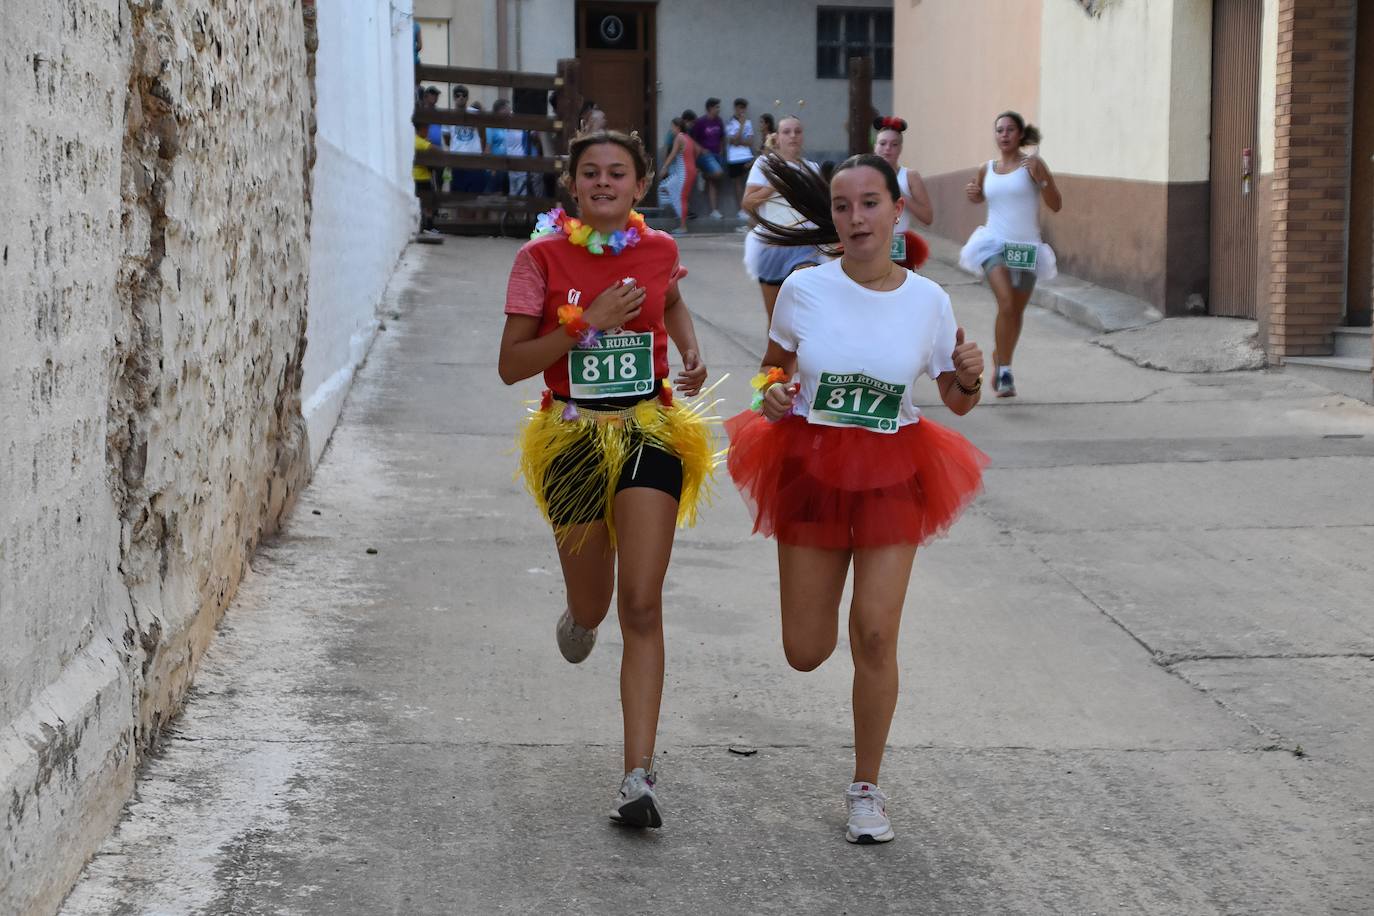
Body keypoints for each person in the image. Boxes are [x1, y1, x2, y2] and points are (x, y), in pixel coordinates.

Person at [725, 152, 988, 845]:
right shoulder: (804, 289)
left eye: (870, 203)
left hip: (894, 469)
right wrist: (771, 396)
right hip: (809, 465)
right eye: (843, 206)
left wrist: (969, 375)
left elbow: (956, 401)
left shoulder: (929, 302)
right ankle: (825, 675)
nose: (856, 218)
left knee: (874, 633)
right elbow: (767, 377)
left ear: (897, 210)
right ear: (832, 217)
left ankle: (866, 788)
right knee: (805, 650)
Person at [499, 129, 716, 830]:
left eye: (616, 173)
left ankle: (637, 776)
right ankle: (577, 615)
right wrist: (584, 326)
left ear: (639, 186)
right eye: (589, 172)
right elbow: (511, 364)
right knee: (595, 604)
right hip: (571, 436)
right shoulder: (539, 258)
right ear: (571, 183)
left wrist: (687, 344)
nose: (602, 183)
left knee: (643, 604)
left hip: (650, 429)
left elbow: (669, 297)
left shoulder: (660, 250)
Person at [959, 110, 1062, 397]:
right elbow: (981, 194)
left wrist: (1042, 180)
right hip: (993, 244)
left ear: (1019, 135)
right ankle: (1005, 373)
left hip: (1026, 248)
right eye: (999, 130)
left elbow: (1055, 204)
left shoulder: (1033, 165)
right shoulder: (986, 168)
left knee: (1015, 310)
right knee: (1005, 303)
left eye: (1009, 130)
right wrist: (974, 194)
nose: (1003, 135)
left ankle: (1001, 359)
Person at [740, 115, 824, 324]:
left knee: (804, 310)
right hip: (773, 244)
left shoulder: (813, 169)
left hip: (805, 245)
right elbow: (747, 204)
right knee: (776, 322)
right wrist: (773, 187)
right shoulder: (765, 164)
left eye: (798, 131)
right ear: (777, 137)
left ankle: (804, 354)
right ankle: (779, 355)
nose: (793, 136)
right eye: (787, 132)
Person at [872, 116, 934, 233]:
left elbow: (927, 218)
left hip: (899, 246)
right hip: (872, 244)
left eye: (894, 144)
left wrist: (901, 195)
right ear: (875, 147)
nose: (888, 149)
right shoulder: (864, 176)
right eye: (882, 143)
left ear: (900, 148)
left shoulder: (910, 176)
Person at [658, 117, 699, 236]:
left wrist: (664, 167)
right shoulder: (688, 138)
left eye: (672, 127)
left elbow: (672, 154)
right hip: (685, 171)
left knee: (682, 198)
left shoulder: (679, 137)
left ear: (677, 127)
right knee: (665, 187)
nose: (671, 129)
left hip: (684, 172)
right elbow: (697, 151)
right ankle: (679, 214)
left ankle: (683, 226)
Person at [689, 98, 727, 218]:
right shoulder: (700, 122)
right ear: (710, 108)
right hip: (706, 155)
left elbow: (721, 137)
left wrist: (721, 149)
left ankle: (714, 211)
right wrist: (701, 149)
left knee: (713, 182)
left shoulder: (719, 121)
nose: (719, 109)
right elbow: (692, 139)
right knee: (718, 173)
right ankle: (703, 175)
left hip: (717, 154)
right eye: (717, 107)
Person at [448, 85, 486, 194]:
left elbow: (482, 134)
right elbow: (447, 138)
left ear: (467, 98)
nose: (461, 98)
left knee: (476, 197)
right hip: (457, 160)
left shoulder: (475, 113)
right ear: (454, 98)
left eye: (464, 95)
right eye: (458, 95)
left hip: (474, 160)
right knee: (458, 198)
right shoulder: (447, 115)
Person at [724, 98, 756, 219]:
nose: (741, 110)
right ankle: (741, 210)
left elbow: (750, 142)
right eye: (739, 107)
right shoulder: (730, 123)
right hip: (734, 158)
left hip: (747, 156)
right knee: (738, 185)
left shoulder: (749, 122)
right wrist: (741, 127)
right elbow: (733, 141)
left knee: (750, 183)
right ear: (735, 108)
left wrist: (740, 141)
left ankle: (751, 209)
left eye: (743, 108)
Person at [412, 118, 440, 236]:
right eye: (427, 129)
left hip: (414, 176)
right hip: (423, 177)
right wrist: (429, 142)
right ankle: (428, 225)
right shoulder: (420, 142)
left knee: (420, 202)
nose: (428, 131)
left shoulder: (413, 140)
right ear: (422, 129)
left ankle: (421, 225)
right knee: (428, 203)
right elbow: (434, 149)